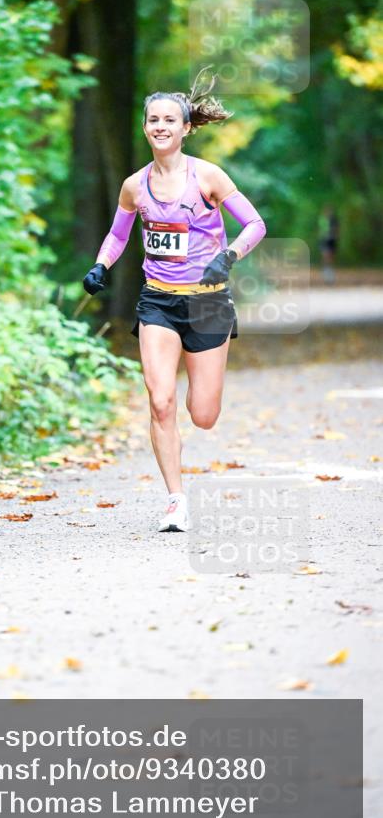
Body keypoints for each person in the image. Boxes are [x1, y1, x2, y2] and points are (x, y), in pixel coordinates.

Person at [82, 71, 266, 531]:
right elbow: (118, 234)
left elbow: (255, 225)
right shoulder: (134, 186)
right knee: (159, 401)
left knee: (202, 416)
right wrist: (101, 265)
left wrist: (227, 257)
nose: (160, 126)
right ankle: (175, 501)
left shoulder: (207, 176)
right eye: (153, 120)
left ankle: (201, 387)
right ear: (145, 128)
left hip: (207, 303)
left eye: (170, 119)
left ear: (186, 127)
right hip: (158, 302)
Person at [318, 204, 339, 284]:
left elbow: (337, 230)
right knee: (325, 255)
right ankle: (326, 271)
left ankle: (330, 271)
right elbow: (321, 230)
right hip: (324, 240)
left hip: (332, 240)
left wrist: (335, 235)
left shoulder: (334, 220)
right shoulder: (323, 220)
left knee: (331, 257)